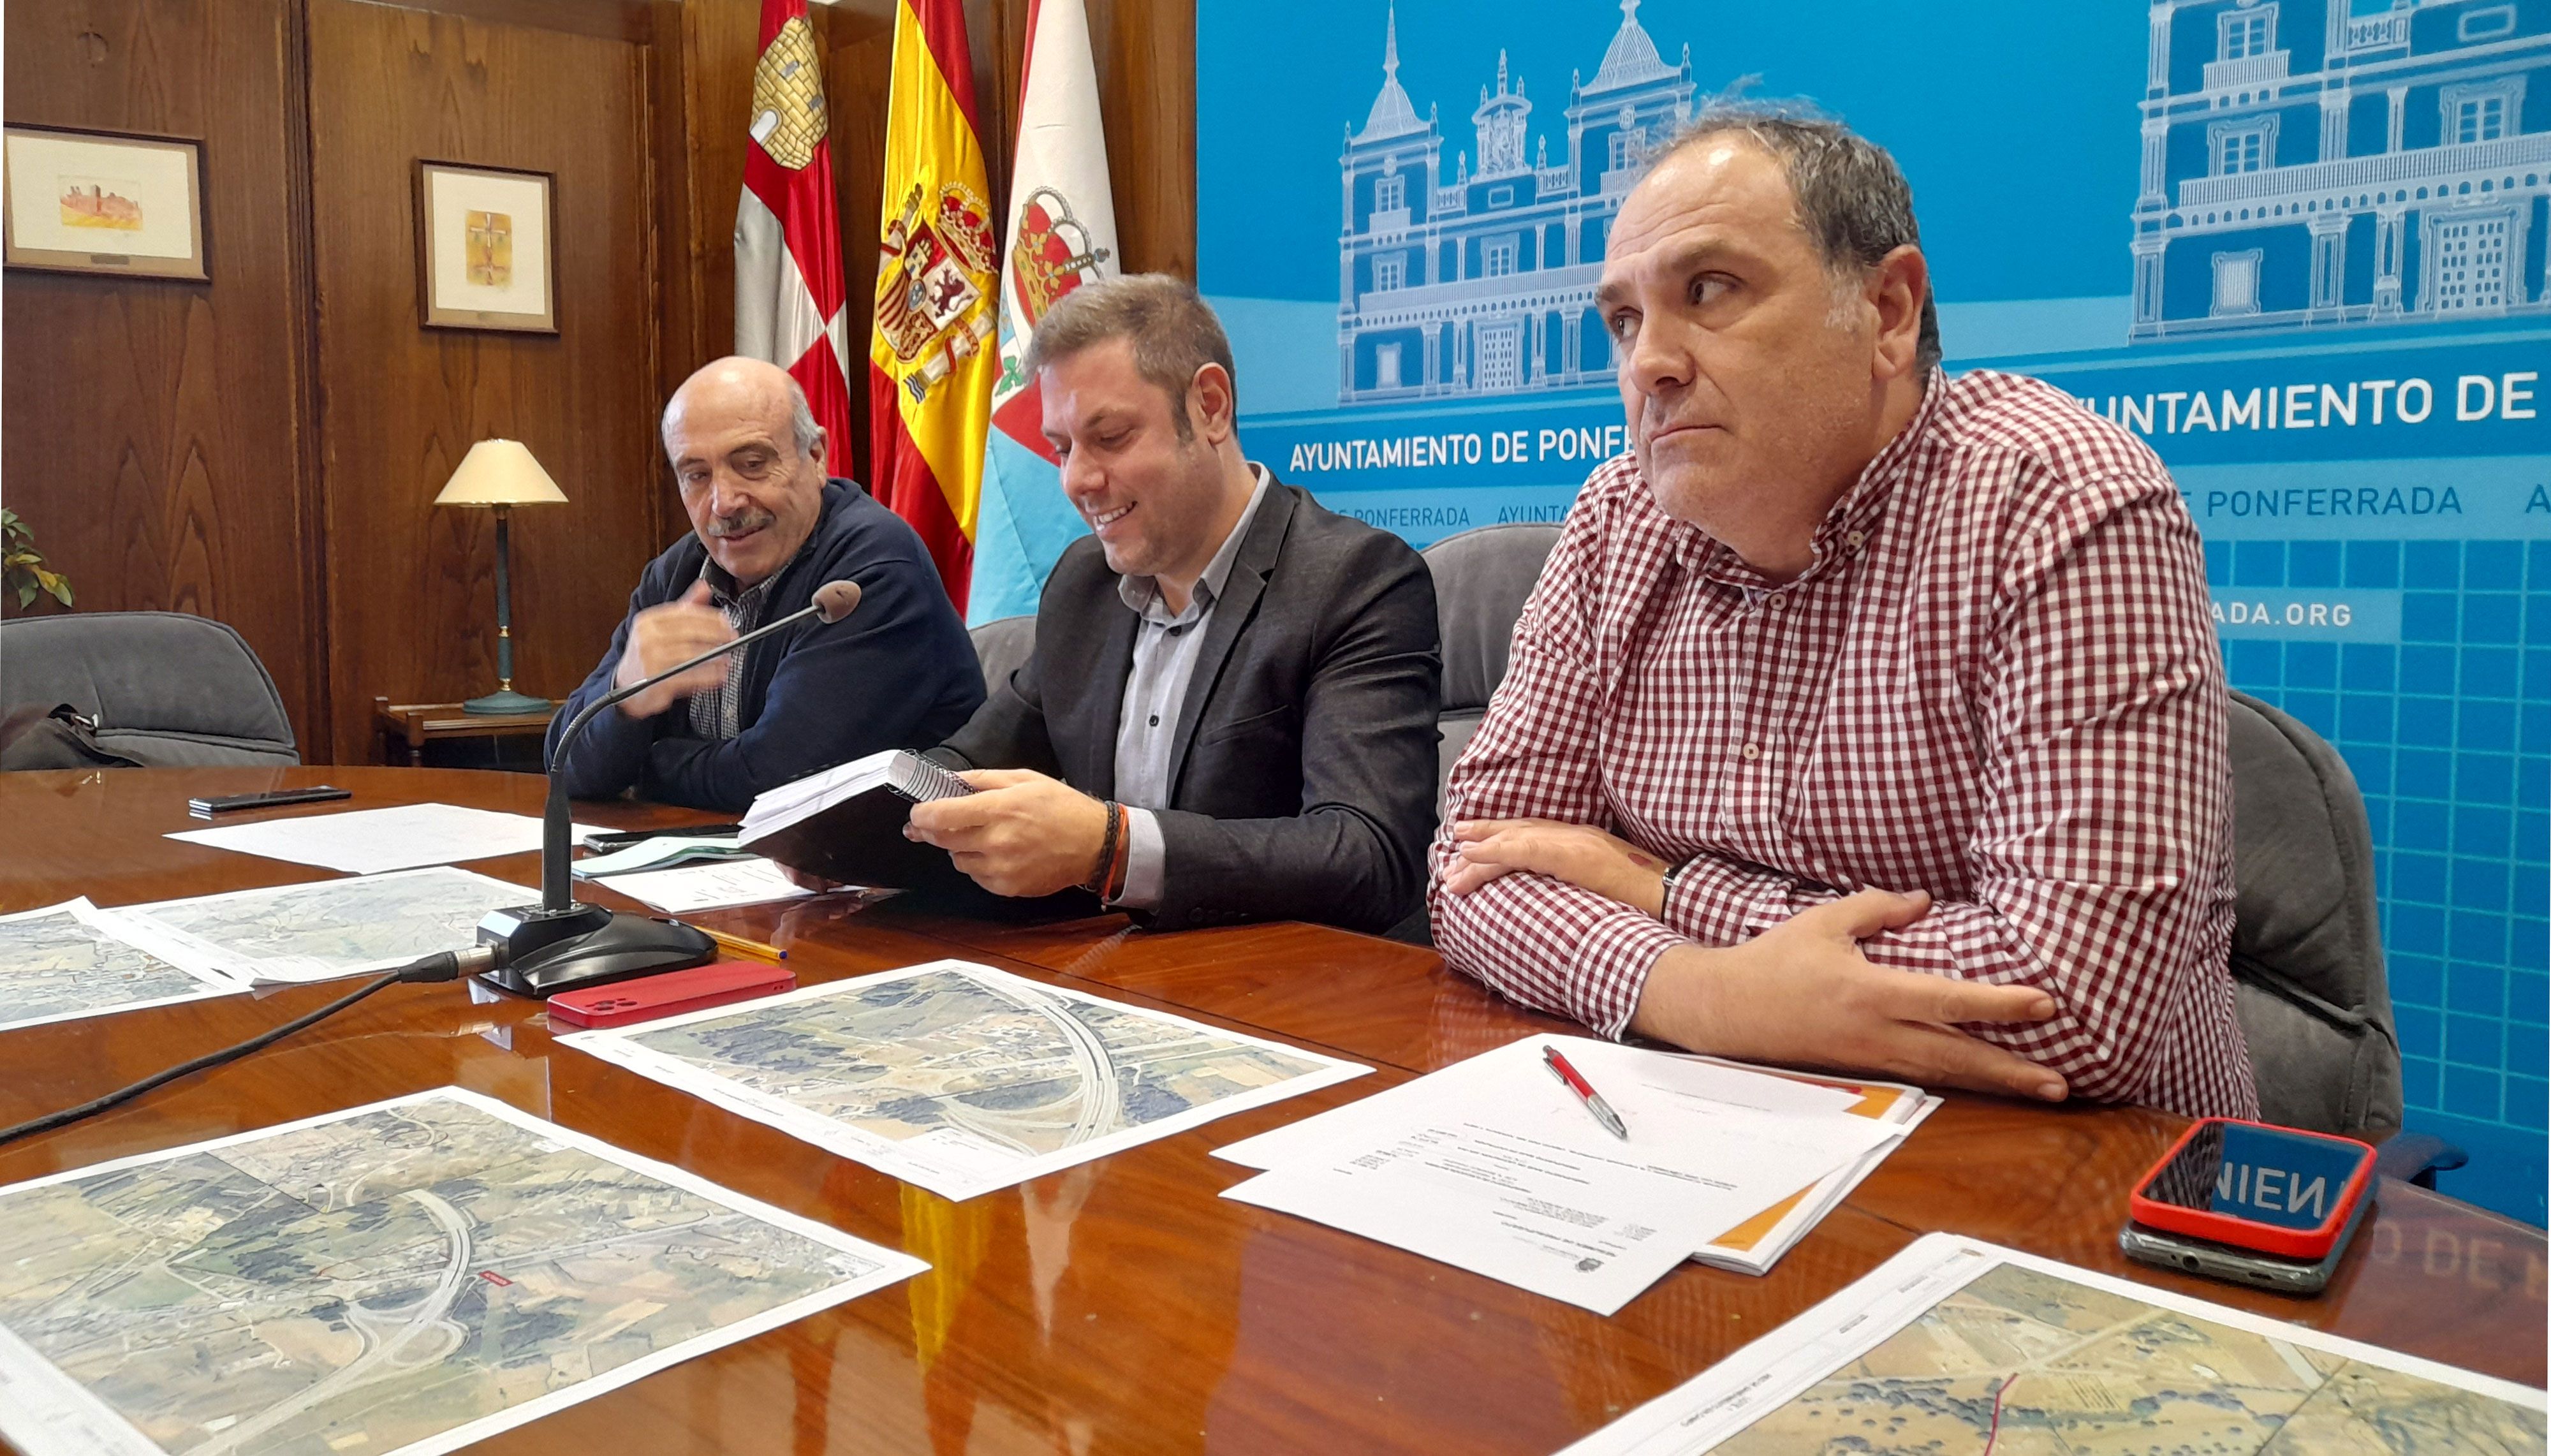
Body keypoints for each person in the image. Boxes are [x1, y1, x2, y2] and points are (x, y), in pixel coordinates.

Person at [1430, 103, 2256, 1118]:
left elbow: (2076, 999)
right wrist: (1701, 993)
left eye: (1709, 289)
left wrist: (1663, 892)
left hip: (2054, 1179)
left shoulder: (2060, 499)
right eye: (1625, 319)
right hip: (1695, 1126)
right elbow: (1471, 870)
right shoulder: (1616, 517)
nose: (1649, 362)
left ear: (1889, 311)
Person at [902, 274, 1442, 934]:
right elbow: (967, 763)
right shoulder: (1082, 584)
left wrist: (1112, 848)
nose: (1076, 480)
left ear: (1210, 407)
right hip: (1111, 978)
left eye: (1111, 437)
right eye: (1062, 447)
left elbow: (1368, 855)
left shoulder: (1356, 581)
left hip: (1283, 991)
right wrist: (853, 830)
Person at [549, 357, 983, 813]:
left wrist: (644, 765)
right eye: (697, 475)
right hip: (715, 871)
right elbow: (564, 761)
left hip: (889, 876)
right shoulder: (679, 574)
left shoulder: (873, 567)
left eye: (752, 464)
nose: (724, 502)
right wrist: (625, 697)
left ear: (816, 457)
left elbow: (779, 778)